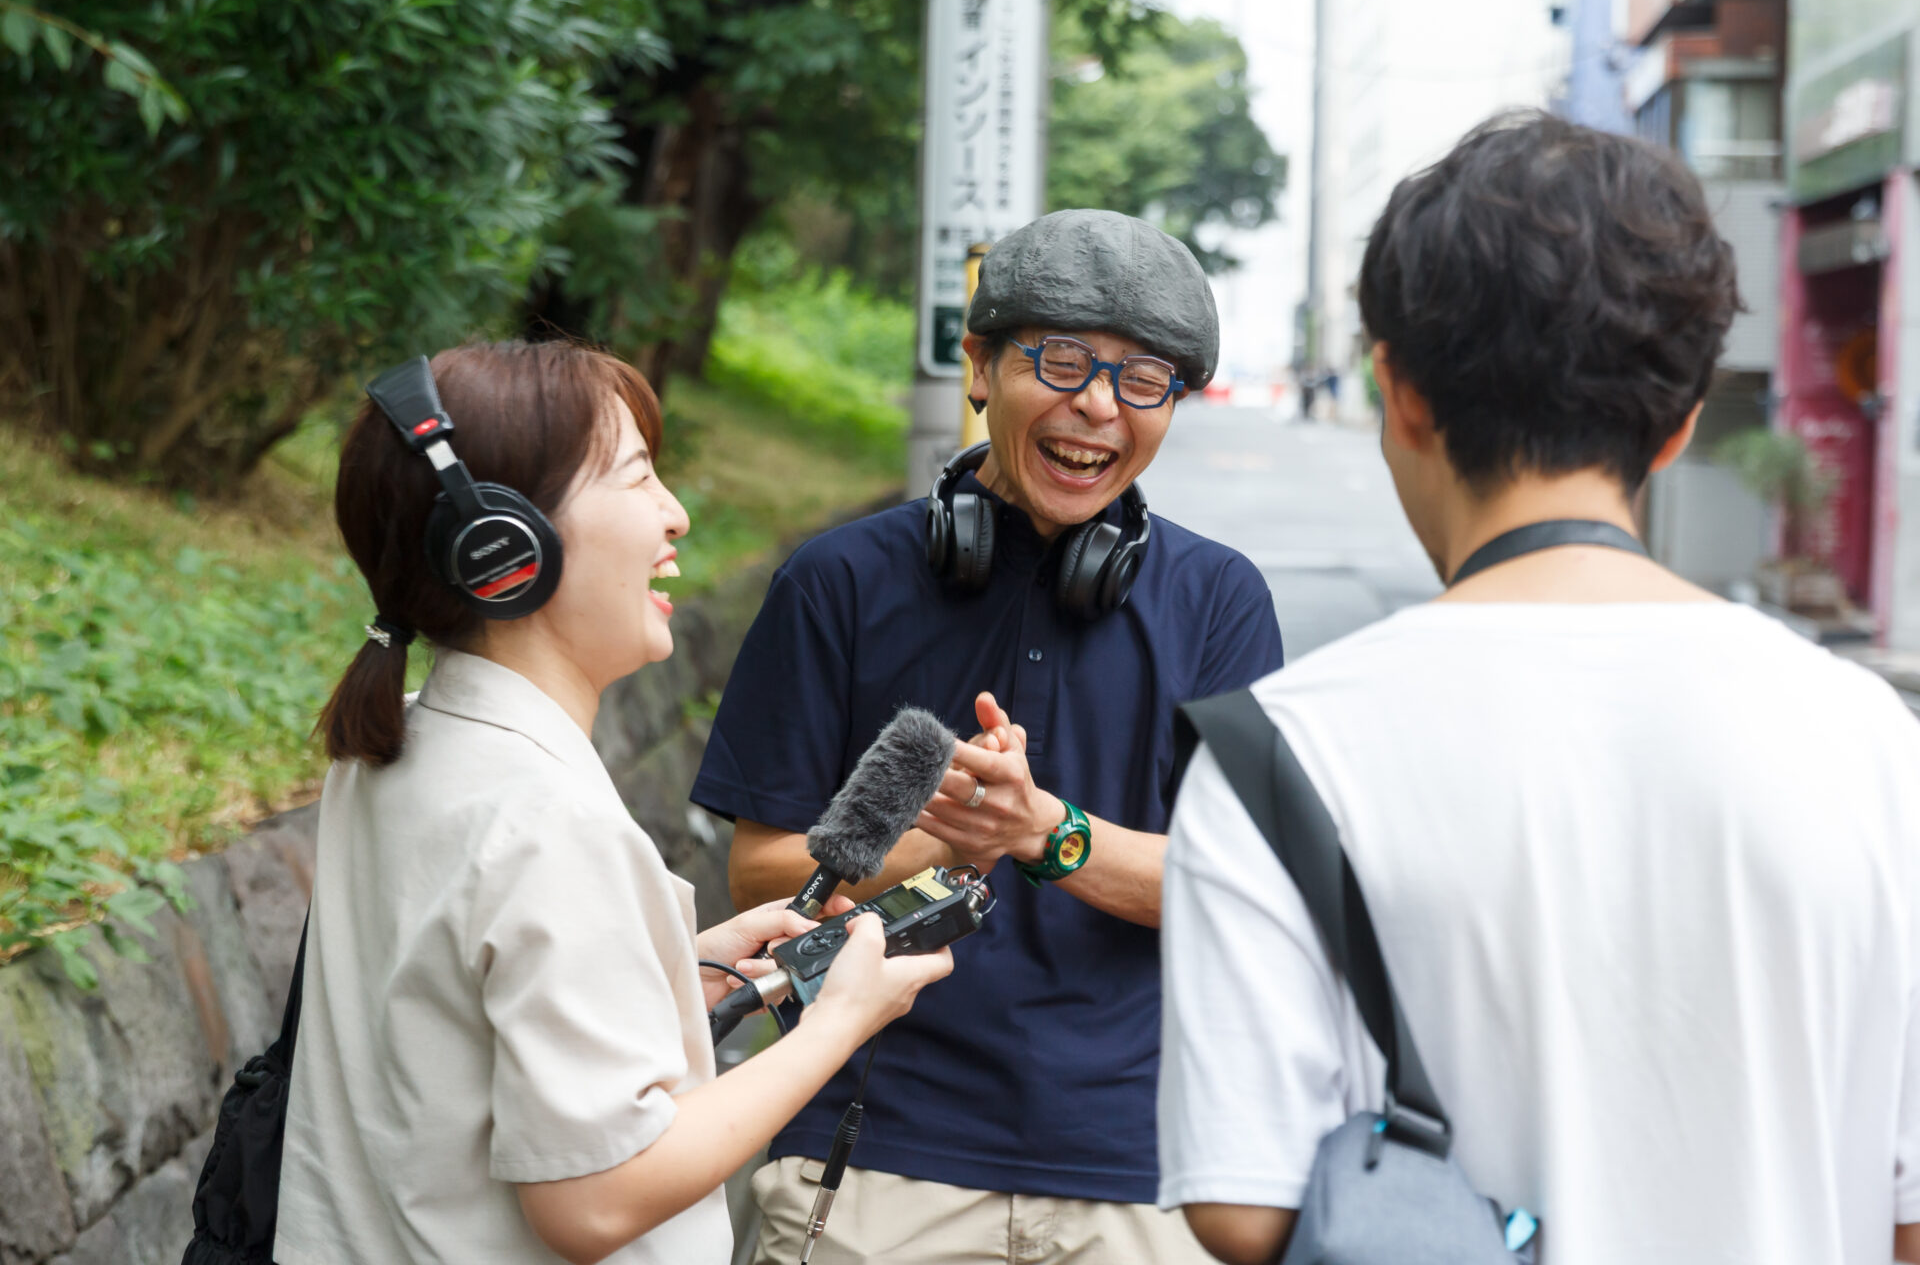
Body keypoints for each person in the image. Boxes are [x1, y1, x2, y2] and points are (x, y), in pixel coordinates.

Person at [1157, 111, 1920, 1265]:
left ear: (1399, 392)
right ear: (1677, 425)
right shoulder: (1870, 736)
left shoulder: (1277, 754)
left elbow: (1244, 1206)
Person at [692, 209, 1286, 1264]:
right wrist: (940, 843)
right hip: (869, 1157)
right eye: (1062, 362)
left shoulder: (1219, 601)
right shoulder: (836, 582)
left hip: (1137, 1174)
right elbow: (758, 875)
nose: (1099, 406)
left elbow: (1242, 890)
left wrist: (1042, 829)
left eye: (1145, 379)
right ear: (977, 365)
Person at [275, 340, 951, 1265]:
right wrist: (840, 1022)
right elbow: (595, 1199)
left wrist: (673, 968)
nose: (674, 515)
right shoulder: (546, 823)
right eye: (636, 478)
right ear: (505, 545)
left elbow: (455, 1020)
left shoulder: (402, 741)